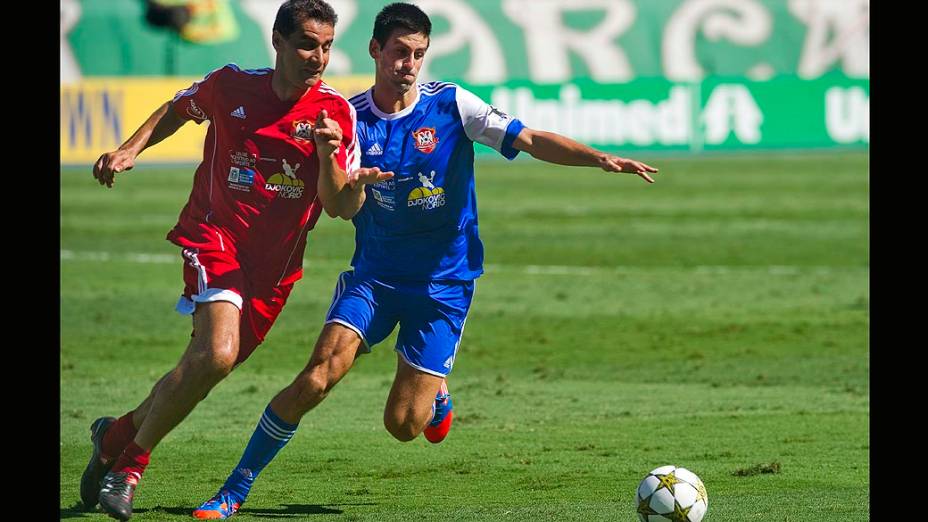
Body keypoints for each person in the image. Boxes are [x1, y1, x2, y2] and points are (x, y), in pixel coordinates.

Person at [191, 3, 658, 519]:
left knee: (404, 426)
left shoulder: (454, 106)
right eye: (399, 52)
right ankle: (233, 490)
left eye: (418, 54)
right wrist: (346, 182)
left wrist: (598, 158)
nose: (408, 64)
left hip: (443, 286)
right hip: (374, 278)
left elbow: (527, 139)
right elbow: (336, 200)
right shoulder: (347, 117)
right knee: (316, 377)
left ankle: (434, 395)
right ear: (374, 50)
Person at [79, 1, 386, 520]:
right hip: (213, 238)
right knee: (217, 354)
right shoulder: (230, 85)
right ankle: (129, 468)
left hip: (274, 272)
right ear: (278, 41)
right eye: (308, 44)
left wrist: (335, 163)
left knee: (203, 368)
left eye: (328, 46)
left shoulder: (335, 114)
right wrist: (131, 149)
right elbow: (178, 108)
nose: (318, 57)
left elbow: (340, 208)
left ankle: (115, 434)